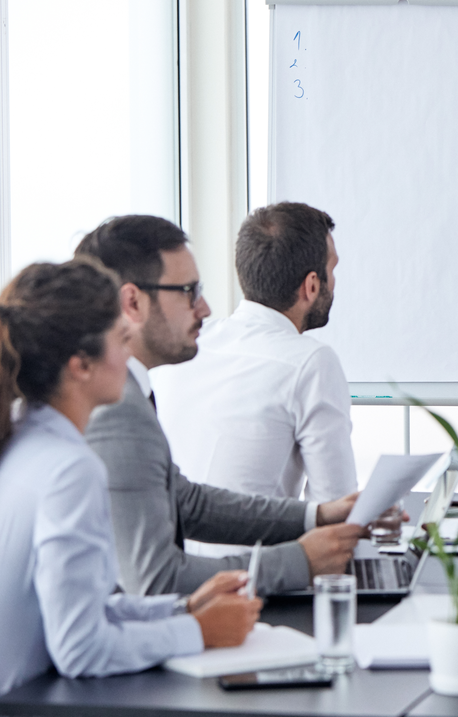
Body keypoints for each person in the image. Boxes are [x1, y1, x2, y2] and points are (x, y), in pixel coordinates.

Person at [0, 259, 261, 717]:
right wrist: (200, 631)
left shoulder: (14, 435)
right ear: (81, 364)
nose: (129, 356)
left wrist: (181, 609)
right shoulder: (69, 469)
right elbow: (80, 648)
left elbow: (81, 608)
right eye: (122, 340)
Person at [77, 215, 367, 596]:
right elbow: (156, 581)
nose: (205, 309)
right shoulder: (115, 411)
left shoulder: (132, 389)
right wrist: (301, 561)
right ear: (132, 302)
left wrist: (317, 516)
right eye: (188, 291)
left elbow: (186, 502)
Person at [152, 202, 357, 557]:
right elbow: (336, 515)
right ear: (311, 285)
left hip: (170, 572)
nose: (335, 281)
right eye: (332, 269)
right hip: (255, 586)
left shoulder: (193, 342)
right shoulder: (311, 362)